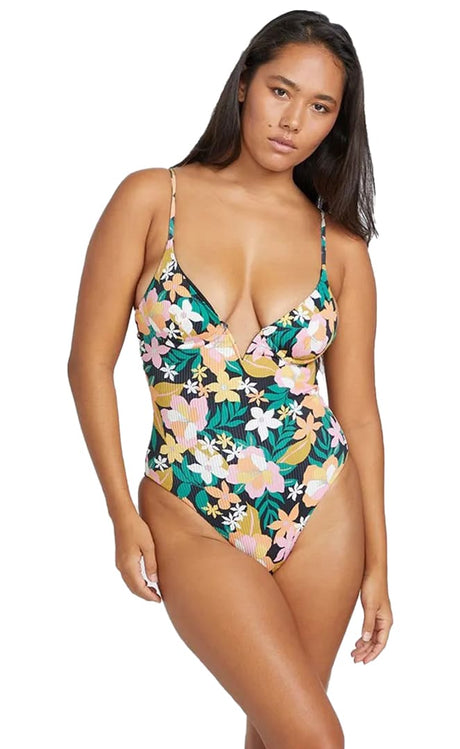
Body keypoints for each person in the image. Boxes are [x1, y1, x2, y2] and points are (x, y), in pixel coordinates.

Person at [67, 9, 393, 749]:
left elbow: (361, 416)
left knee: (279, 737)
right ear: (244, 83)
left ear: (337, 125)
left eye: (321, 107)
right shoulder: (151, 199)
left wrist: (379, 563)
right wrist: (120, 513)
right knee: (315, 738)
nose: (293, 122)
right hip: (187, 507)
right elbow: (88, 362)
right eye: (281, 91)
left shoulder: (341, 248)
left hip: (321, 510)